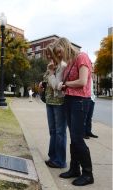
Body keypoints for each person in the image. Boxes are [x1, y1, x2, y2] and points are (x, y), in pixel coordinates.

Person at [54, 37, 94, 186]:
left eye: (59, 52)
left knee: (77, 138)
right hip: (69, 100)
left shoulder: (82, 57)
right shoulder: (68, 62)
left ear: (65, 47)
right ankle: (74, 169)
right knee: (73, 137)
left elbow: (83, 81)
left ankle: (88, 174)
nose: (59, 56)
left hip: (80, 101)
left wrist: (65, 84)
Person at [41, 43, 67, 169]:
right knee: (53, 131)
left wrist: (51, 72)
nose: (48, 56)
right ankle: (53, 157)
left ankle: (60, 161)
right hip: (49, 101)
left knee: (60, 132)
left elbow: (56, 85)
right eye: (46, 54)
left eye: (49, 53)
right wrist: (43, 81)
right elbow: (46, 80)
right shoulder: (50, 66)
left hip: (59, 102)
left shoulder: (62, 66)